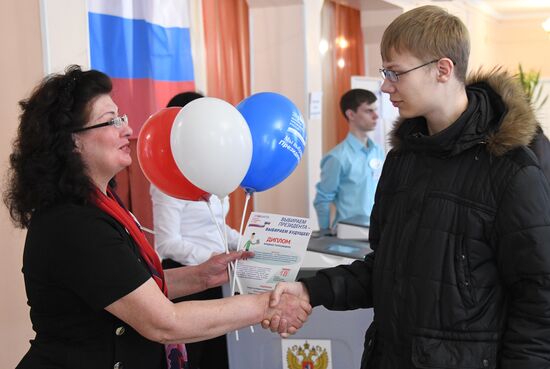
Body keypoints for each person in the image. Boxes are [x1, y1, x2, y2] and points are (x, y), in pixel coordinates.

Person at [267, 5, 550, 369]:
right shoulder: (402, 160)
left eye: (395, 73)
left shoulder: (511, 168)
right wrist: (310, 289)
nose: (385, 87)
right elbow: (383, 269)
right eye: (385, 73)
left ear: (443, 70)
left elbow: (539, 300)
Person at [5, 65, 311, 369]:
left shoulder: (102, 202)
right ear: (72, 141)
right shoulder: (72, 224)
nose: (126, 129)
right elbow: (165, 323)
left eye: (121, 117)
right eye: (110, 122)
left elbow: (129, 284)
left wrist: (200, 275)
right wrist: (267, 304)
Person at [150, 91, 242, 369]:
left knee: (220, 356)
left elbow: (216, 225)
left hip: (216, 277)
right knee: (194, 359)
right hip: (186, 278)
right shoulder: (167, 181)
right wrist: (214, 258)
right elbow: (168, 243)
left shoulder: (209, 169)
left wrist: (246, 242)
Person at [313, 88, 384, 232]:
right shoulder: (337, 157)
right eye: (368, 111)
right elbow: (323, 199)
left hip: (377, 231)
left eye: (375, 110)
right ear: (351, 114)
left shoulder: (378, 151)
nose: (376, 116)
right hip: (349, 233)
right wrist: (325, 232)